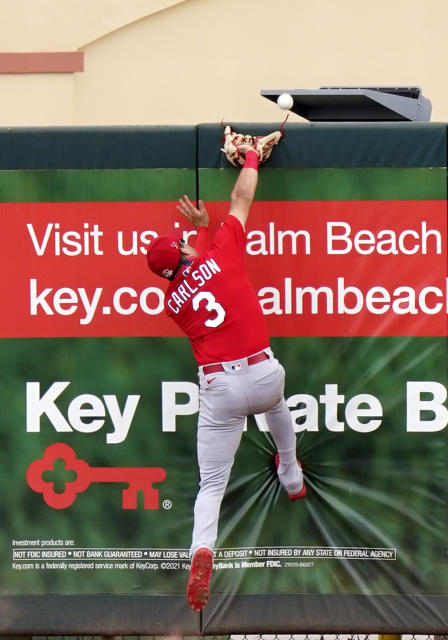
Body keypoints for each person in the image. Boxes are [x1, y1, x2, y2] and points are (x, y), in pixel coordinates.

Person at [145, 141, 304, 613]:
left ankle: (201, 553)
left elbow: (196, 274)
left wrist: (194, 241)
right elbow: (241, 199)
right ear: (185, 251)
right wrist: (252, 157)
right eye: (183, 244)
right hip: (262, 373)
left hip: (220, 388)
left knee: (211, 485)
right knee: (275, 405)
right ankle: (291, 475)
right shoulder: (220, 252)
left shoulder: (172, 304)